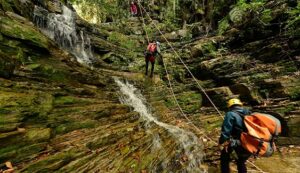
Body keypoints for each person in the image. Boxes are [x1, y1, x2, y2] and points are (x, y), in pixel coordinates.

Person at [218, 98, 252, 173]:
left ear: (230, 106)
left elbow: (226, 130)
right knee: (241, 161)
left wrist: (221, 142)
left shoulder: (230, 114)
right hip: (250, 141)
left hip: (238, 142)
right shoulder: (248, 112)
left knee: (224, 157)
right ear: (240, 105)